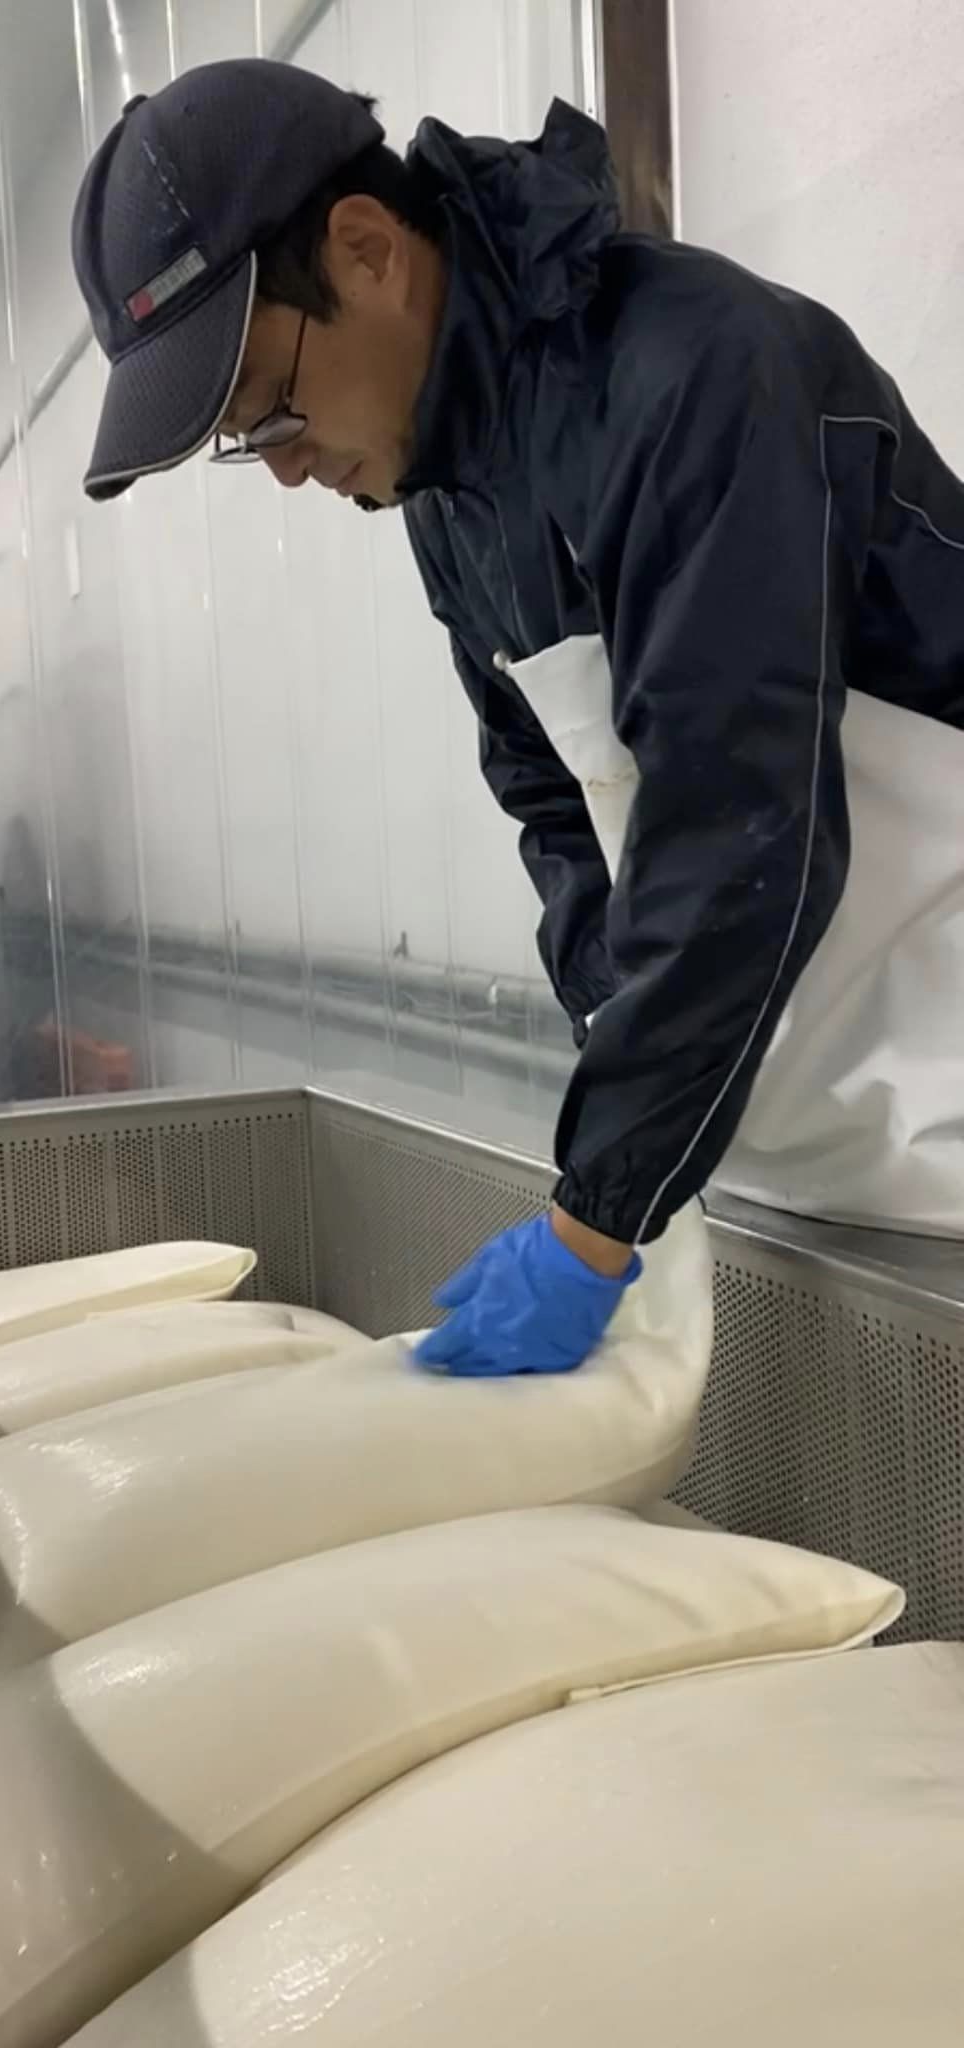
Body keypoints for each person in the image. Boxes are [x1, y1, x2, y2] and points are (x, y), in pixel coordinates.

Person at [72, 58, 964, 1379]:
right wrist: (620, 1091)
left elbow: (742, 828)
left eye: (270, 409)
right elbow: (556, 801)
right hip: (795, 1133)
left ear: (367, 249)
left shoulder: (695, 374)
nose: (291, 470)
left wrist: (591, 1226)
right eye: (249, 444)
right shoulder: (447, 496)